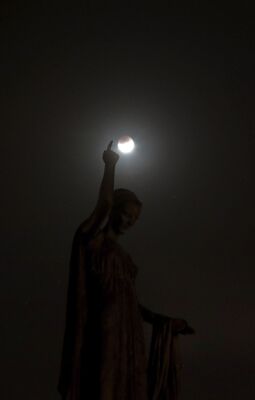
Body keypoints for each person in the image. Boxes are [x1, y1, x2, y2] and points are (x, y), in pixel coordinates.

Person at [58, 141, 194, 400]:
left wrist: (162, 321)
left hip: (129, 330)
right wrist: (110, 165)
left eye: (135, 219)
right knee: (104, 382)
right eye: (127, 214)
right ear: (115, 211)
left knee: (130, 386)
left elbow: (132, 301)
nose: (130, 221)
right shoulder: (91, 241)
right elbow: (103, 205)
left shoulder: (125, 260)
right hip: (104, 325)